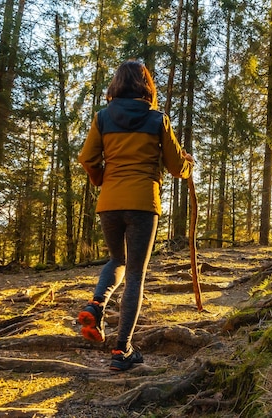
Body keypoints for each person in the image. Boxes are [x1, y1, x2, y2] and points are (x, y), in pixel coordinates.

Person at [77, 60, 194, 371]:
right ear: (146, 86)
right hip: (143, 203)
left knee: (117, 260)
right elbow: (175, 166)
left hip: (110, 203)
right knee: (135, 276)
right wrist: (188, 164)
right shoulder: (156, 119)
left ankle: (96, 304)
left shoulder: (102, 118)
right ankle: (122, 351)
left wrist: (101, 178)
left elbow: (87, 158)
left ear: (116, 85)